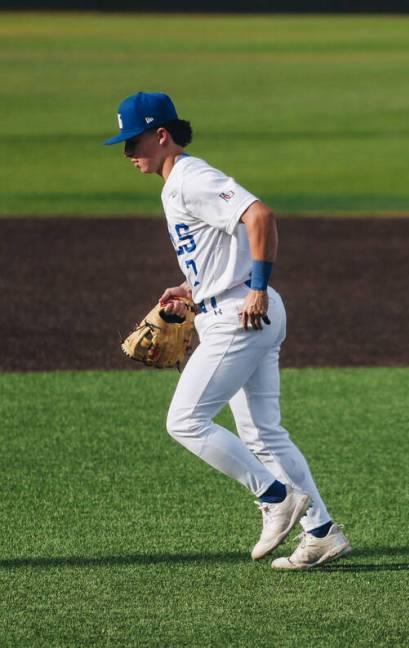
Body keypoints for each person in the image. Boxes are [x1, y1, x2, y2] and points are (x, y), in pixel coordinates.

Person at [105, 92, 350, 570]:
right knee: (264, 434)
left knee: (184, 421)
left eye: (133, 141)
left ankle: (274, 497)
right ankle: (321, 532)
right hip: (238, 308)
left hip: (242, 314)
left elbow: (260, 216)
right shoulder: (175, 183)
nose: (128, 153)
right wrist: (189, 287)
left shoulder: (192, 178)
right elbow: (223, 248)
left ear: (161, 135)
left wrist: (257, 287)